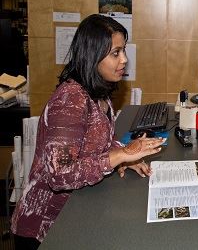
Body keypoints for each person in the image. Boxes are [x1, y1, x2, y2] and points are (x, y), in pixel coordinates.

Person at [10, 14, 165, 249]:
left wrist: (124, 155)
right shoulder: (70, 100)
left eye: (123, 51)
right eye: (116, 53)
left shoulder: (98, 93)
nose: (124, 60)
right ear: (92, 55)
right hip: (44, 229)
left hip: (74, 214)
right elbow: (59, 175)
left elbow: (95, 145)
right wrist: (119, 156)